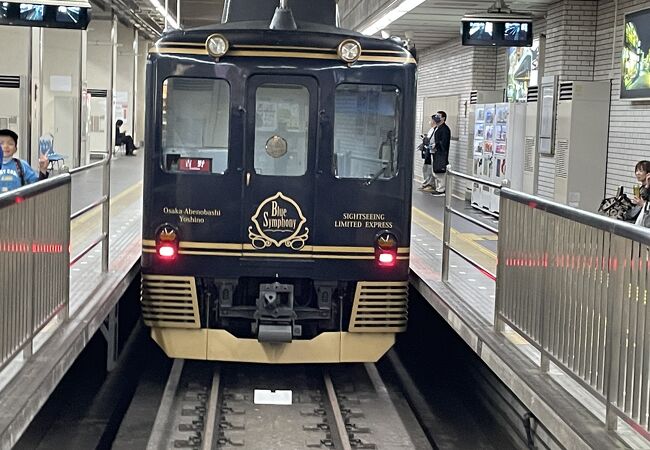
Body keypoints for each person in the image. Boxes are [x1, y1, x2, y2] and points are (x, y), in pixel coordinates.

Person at [0, 129, 49, 194]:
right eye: (1, 143)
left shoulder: (22, 165)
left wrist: (43, 170)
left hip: (18, 203)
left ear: (15, 149)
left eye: (10, 143)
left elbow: (37, 186)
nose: (5, 146)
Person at [430, 111, 451, 196]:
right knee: (436, 171)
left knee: (441, 171)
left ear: (443, 118)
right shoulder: (437, 128)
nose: (436, 117)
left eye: (439, 116)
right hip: (435, 152)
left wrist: (437, 144)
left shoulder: (445, 129)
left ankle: (441, 189)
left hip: (441, 153)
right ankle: (438, 187)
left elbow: (444, 142)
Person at [418, 116, 436, 192]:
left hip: (432, 151)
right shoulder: (431, 129)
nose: (430, 122)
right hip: (428, 150)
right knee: (426, 168)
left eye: (431, 120)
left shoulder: (436, 130)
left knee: (430, 169)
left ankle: (430, 184)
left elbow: (432, 141)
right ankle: (426, 183)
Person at [631, 160, 650, 226]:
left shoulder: (647, 188)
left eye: (641, 171)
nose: (637, 173)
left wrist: (642, 204)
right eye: (636, 171)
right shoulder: (642, 188)